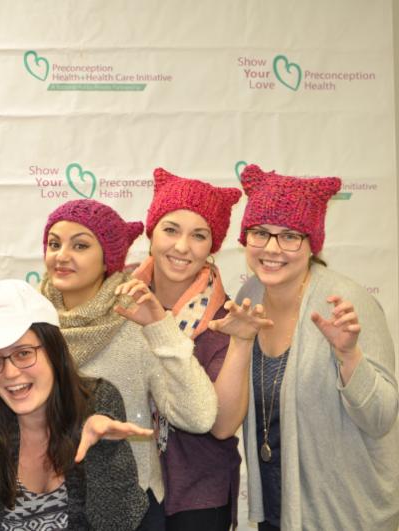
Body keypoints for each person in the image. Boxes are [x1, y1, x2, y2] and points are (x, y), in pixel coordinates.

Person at [0, 199, 218, 529]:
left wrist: (161, 328)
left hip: (127, 505)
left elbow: (198, 417)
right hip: (43, 507)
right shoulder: (27, 322)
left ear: (107, 258)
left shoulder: (136, 321)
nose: (62, 256)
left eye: (80, 245)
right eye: (54, 244)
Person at [213, 164, 399, 530]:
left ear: (312, 242)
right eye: (260, 233)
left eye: (289, 236)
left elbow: (381, 418)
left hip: (345, 514)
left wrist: (349, 356)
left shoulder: (344, 302)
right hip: (278, 509)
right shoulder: (250, 294)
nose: (272, 248)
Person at [0, 279, 150, 530]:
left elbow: (119, 523)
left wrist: (104, 448)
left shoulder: (97, 402)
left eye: (23, 353)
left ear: (53, 351)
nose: (10, 373)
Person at [132, 168, 242, 530]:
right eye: (170, 230)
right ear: (151, 233)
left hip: (200, 492)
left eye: (199, 235)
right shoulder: (121, 300)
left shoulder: (225, 320)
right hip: (130, 485)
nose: (182, 247)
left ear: (212, 246)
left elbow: (221, 426)